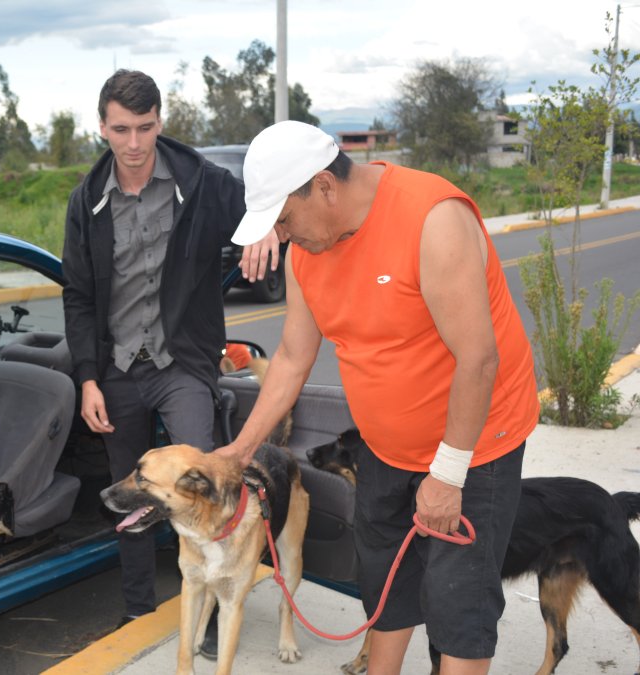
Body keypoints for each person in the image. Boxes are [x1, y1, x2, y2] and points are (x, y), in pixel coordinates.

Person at [215, 120, 539, 675]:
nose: (285, 235)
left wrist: (449, 474)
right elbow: (292, 357)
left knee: (458, 603)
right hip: (384, 447)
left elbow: (478, 359)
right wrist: (240, 451)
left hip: (475, 445)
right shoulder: (306, 253)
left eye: (285, 219)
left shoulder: (431, 220)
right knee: (384, 584)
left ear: (323, 185)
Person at [61, 70, 278, 641]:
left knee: (203, 483)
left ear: (161, 120)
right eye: (122, 129)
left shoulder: (204, 183)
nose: (134, 144)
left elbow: (266, 206)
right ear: (102, 126)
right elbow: (78, 297)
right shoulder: (86, 202)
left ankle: (208, 614)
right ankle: (137, 607)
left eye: (146, 127)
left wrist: (263, 228)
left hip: (182, 363)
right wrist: (87, 379)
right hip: (115, 372)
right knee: (130, 497)